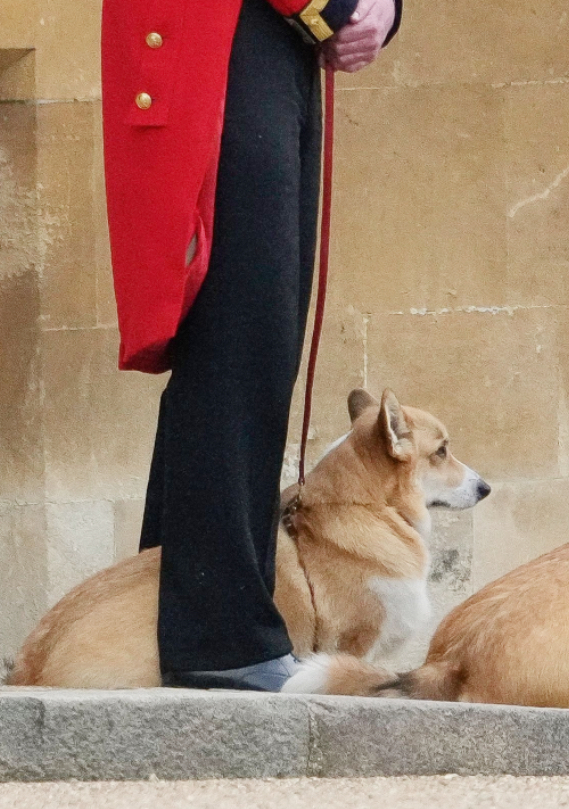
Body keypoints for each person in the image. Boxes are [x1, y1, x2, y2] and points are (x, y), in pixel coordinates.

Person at [102, 0, 400, 690]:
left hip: (274, 37)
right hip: (222, 32)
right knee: (240, 333)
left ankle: (171, 619)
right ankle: (217, 634)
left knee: (259, 334)